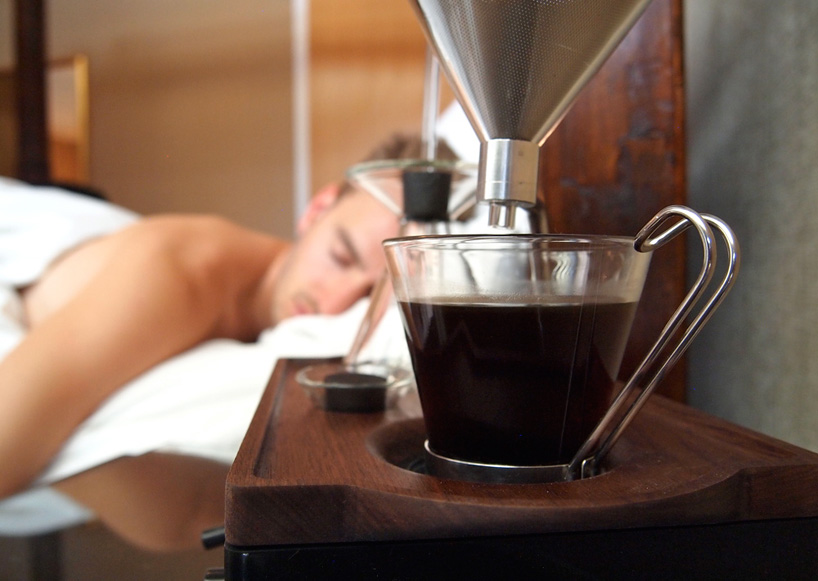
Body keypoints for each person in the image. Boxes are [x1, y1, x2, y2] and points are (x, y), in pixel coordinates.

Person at [0, 132, 457, 500]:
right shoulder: (178, 277)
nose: (334, 303)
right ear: (316, 209)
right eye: (340, 257)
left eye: (365, 298)